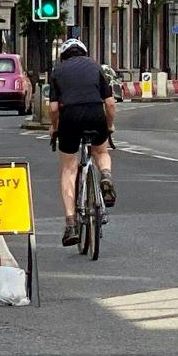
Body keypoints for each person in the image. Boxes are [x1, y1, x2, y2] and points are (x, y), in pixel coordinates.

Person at [47, 37, 117, 246]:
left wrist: (55, 127)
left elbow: (52, 108)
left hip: (70, 117)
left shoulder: (58, 71)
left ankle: (70, 224)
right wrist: (110, 124)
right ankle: (105, 176)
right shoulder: (96, 67)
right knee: (101, 152)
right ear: (84, 53)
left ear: (64, 55)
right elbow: (111, 103)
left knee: (69, 169)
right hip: (95, 113)